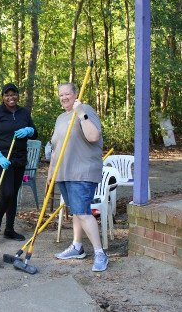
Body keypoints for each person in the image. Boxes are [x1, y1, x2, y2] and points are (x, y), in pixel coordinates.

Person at [47, 83, 108, 272]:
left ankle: (100, 253)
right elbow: (56, 148)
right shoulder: (60, 118)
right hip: (64, 172)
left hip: (82, 172)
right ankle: (77, 246)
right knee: (76, 211)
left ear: (75, 94)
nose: (64, 97)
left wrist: (81, 113)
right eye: (61, 95)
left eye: (67, 94)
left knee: (82, 212)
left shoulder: (85, 110)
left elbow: (93, 136)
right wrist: (51, 172)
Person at [0, 83, 38, 241]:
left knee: (13, 194)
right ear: (2, 97)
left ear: (18, 95)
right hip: (1, 158)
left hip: (19, 158)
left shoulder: (24, 113)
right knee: (6, 192)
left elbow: (34, 133)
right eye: (7, 95)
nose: (11, 97)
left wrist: (29, 130)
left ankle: (9, 229)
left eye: (13, 94)